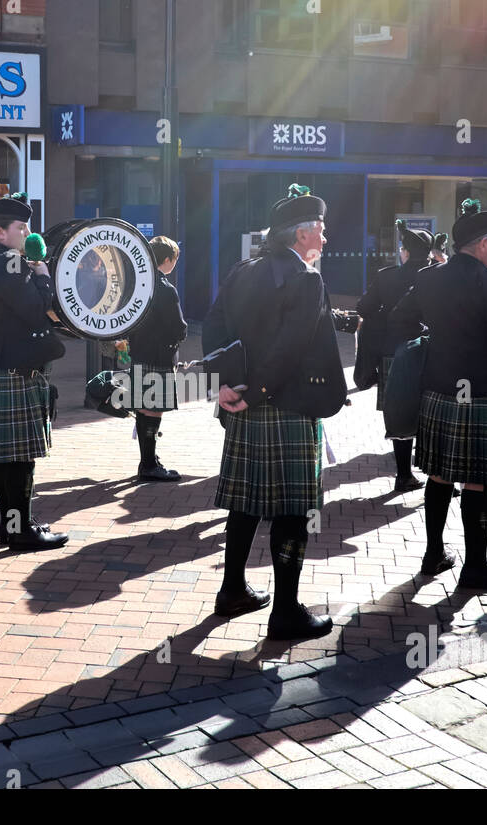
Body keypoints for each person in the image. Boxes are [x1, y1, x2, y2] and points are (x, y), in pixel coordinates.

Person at [202, 185, 346, 639]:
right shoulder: (307, 278)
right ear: (301, 235)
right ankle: (285, 611)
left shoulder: (242, 271)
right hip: (286, 405)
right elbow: (291, 348)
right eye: (320, 231)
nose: (325, 238)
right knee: (292, 511)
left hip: (245, 403)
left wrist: (226, 385)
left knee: (244, 503)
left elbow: (213, 327)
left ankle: (232, 591)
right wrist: (258, 390)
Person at [409, 199, 487, 591]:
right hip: (479, 396)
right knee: (477, 480)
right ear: (480, 244)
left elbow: (400, 318)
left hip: (438, 389)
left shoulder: (429, 278)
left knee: (439, 474)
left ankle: (433, 554)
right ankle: (476, 567)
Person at [0, 193, 68, 551]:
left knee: (3, 457)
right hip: (14, 369)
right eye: (21, 228)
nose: (27, 234)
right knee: (20, 459)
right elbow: (37, 309)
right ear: (0, 232)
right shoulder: (8, 261)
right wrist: (42, 274)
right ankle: (21, 531)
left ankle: (11, 526)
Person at [357, 218, 434, 492]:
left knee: (399, 412)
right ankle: (439, 477)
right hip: (431, 352)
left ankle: (404, 474)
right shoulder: (438, 275)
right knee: (432, 412)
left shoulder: (386, 275)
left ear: (405, 251)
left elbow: (364, 308)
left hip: (393, 353)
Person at [124, 235, 188, 481]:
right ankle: (149, 465)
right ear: (168, 259)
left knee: (143, 409)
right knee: (153, 412)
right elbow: (179, 328)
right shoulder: (165, 289)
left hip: (140, 353)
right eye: (175, 260)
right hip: (159, 357)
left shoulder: (138, 284)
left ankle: (147, 461)